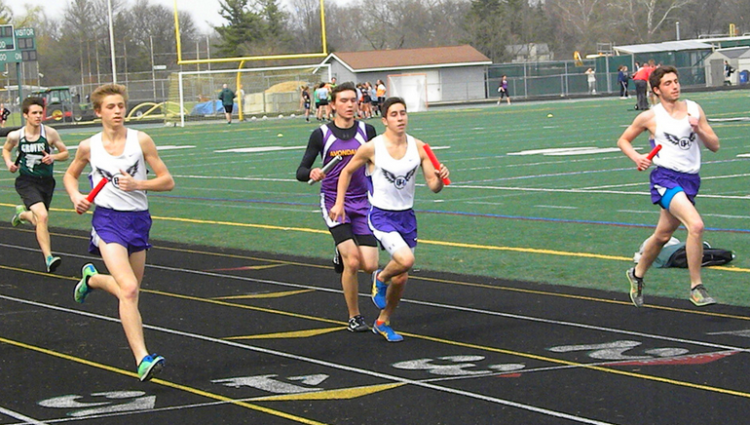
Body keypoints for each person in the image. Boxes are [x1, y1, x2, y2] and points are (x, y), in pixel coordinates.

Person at [63, 83, 175, 381]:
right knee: (128, 289)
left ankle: (93, 279)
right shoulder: (89, 146)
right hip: (107, 221)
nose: (118, 111)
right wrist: (76, 196)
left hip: (138, 220)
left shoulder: (142, 141)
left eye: (121, 106)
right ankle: (143, 359)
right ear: (98, 112)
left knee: (130, 292)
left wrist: (139, 184)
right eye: (111, 107)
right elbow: (70, 174)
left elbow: (167, 181)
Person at [330, 97, 450, 342]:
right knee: (405, 260)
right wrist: (339, 202)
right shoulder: (372, 147)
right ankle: (380, 277)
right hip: (381, 215)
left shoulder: (420, 148)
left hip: (407, 216)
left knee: (403, 275)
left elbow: (433, 186)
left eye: (403, 113)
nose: (400, 118)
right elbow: (346, 171)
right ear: (384, 120)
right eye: (394, 114)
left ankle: (383, 321)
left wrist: (440, 178)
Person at [616, 66, 719, 308]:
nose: (675, 86)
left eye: (676, 81)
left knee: (663, 235)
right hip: (665, 179)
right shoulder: (651, 116)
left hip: (690, 180)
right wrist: (637, 157)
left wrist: (699, 128)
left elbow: (714, 145)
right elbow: (623, 140)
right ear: (656, 90)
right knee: (696, 225)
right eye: (668, 83)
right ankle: (696, 287)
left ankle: (637, 273)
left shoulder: (694, 110)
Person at [296, 82, 379, 333]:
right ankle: (355, 316)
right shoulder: (321, 134)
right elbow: (301, 172)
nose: (350, 105)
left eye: (353, 100)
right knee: (352, 262)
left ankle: (340, 252)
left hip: (363, 202)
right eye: (343, 100)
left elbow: (379, 163)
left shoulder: (368, 130)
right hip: (334, 202)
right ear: (332, 105)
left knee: (370, 265)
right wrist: (313, 172)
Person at [2, 97, 69, 273]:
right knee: (43, 216)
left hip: (46, 182)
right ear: (26, 115)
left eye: (40, 112)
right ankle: (49, 257)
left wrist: (53, 157)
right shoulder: (16, 135)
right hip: (26, 181)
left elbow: (65, 153)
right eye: (34, 113)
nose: (38, 116)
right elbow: (6, 149)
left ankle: (22, 215)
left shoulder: (50, 133)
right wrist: (9, 163)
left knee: (39, 218)